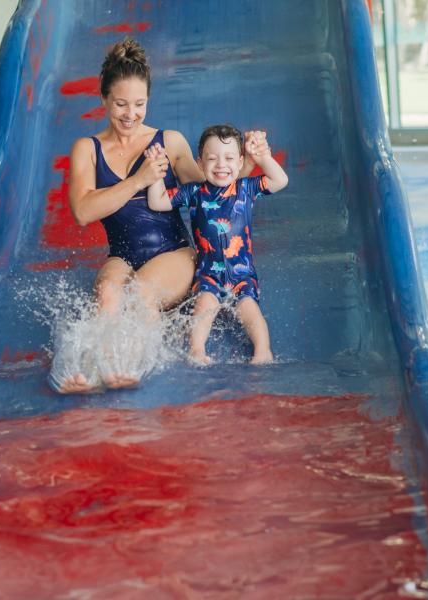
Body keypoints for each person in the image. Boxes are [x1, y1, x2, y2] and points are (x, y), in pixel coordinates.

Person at [58, 37, 267, 393]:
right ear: (104, 98)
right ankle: (89, 371)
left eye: (139, 104)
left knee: (140, 293)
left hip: (175, 254)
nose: (130, 113)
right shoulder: (87, 149)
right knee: (108, 290)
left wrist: (249, 158)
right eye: (121, 104)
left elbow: (215, 190)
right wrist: (139, 180)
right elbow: (82, 210)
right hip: (122, 254)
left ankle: (129, 366)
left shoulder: (168, 141)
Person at [145, 124, 288, 364]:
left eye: (230, 158)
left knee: (249, 308)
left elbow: (280, 180)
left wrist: (263, 158)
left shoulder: (246, 188)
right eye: (212, 159)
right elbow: (158, 202)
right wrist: (157, 174)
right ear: (200, 163)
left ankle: (263, 351)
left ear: (241, 161)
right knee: (203, 306)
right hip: (208, 273)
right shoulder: (194, 192)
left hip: (242, 273)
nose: (221, 165)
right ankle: (197, 350)